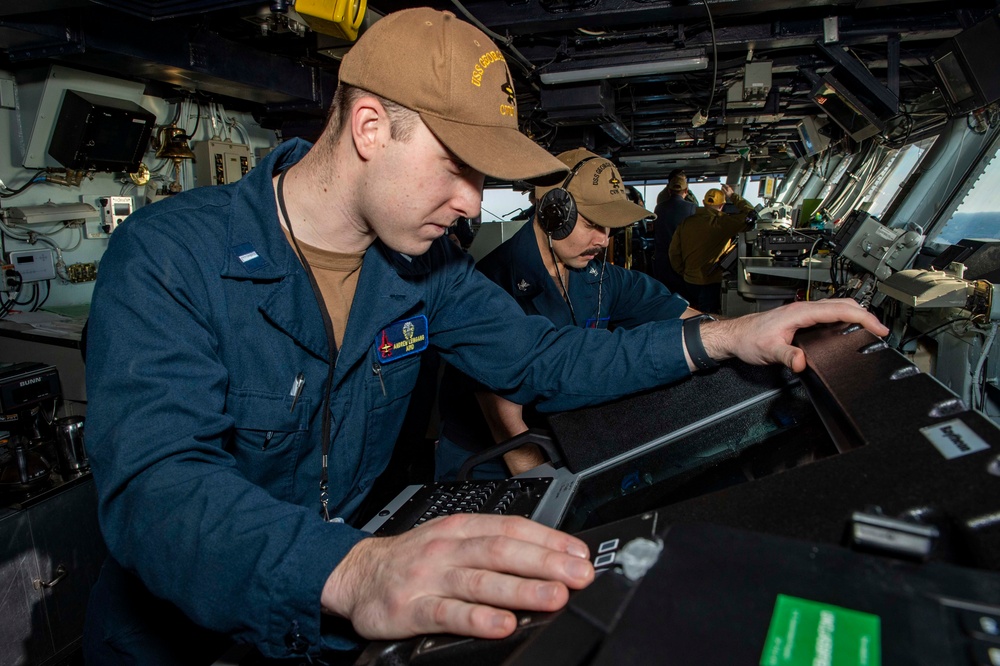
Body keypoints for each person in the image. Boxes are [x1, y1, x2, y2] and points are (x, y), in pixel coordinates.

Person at [82, 7, 888, 665]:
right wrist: (355, 568)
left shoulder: (421, 267)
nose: (473, 204)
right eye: (458, 167)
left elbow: (545, 358)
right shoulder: (168, 258)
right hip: (184, 642)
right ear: (369, 127)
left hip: (343, 628)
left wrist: (725, 337)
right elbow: (158, 491)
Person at [436, 148, 698, 480]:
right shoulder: (493, 282)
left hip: (559, 440)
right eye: (593, 224)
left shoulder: (598, 276)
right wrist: (549, 491)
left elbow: (689, 318)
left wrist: (748, 331)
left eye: (610, 228)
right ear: (553, 213)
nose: (603, 240)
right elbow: (505, 424)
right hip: (489, 458)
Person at [669, 183, 755, 314]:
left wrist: (683, 271)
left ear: (703, 202)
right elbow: (752, 215)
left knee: (692, 312)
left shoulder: (687, 222)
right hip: (711, 281)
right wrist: (733, 196)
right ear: (722, 205)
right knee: (708, 317)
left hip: (689, 280)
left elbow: (673, 252)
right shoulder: (724, 223)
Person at [652, 171, 697, 294]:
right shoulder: (692, 208)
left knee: (665, 294)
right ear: (686, 191)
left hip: (662, 260)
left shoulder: (659, 208)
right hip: (682, 260)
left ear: (669, 191)